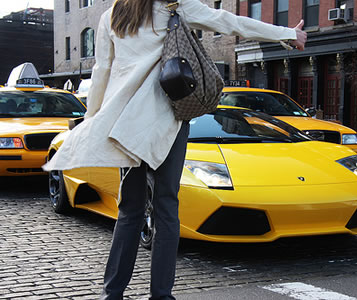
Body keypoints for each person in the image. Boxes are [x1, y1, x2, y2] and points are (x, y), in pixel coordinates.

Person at [43, 0, 307, 299]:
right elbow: (227, 21)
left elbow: (102, 70)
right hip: (167, 120)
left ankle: (112, 293)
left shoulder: (111, 15)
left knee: (129, 210)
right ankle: (162, 295)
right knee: (167, 208)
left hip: (127, 124)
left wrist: (92, 118)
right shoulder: (174, 6)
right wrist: (286, 33)